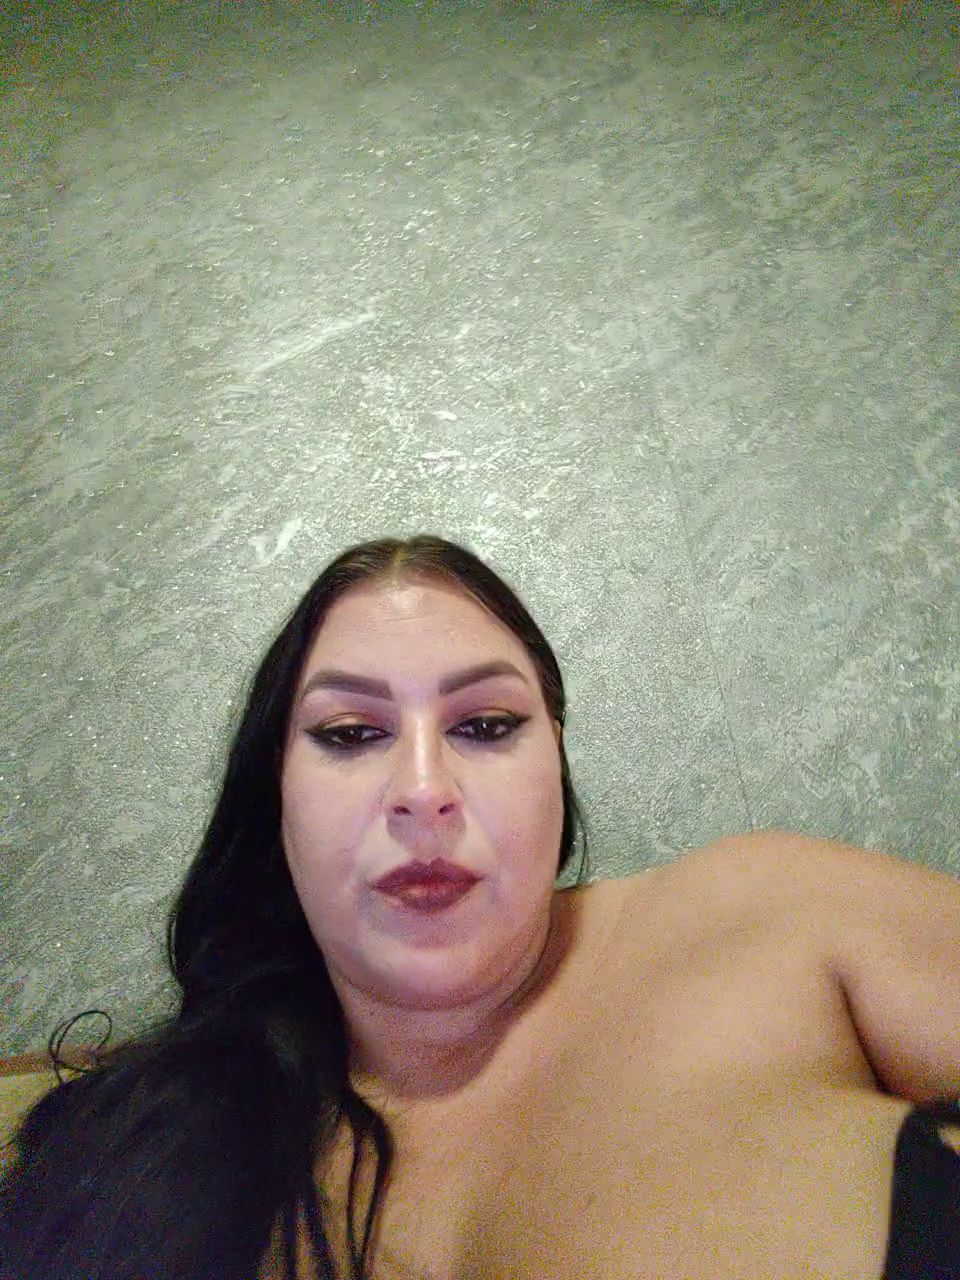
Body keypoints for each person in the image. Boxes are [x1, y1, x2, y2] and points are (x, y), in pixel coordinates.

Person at [1, 533, 958, 1280]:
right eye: (350, 732)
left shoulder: (770, 919)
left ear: (556, 764)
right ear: (276, 795)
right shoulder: (131, 1155)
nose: (423, 790)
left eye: (487, 724)